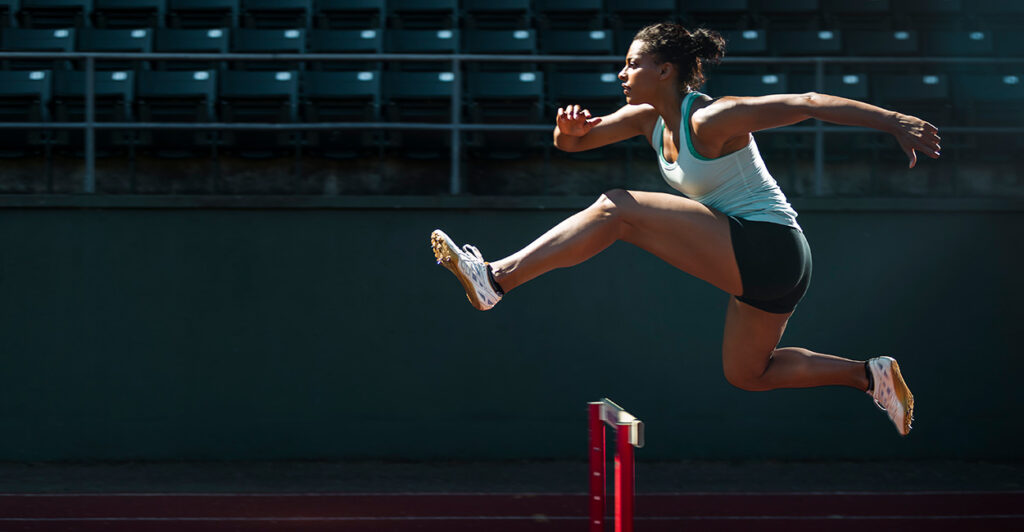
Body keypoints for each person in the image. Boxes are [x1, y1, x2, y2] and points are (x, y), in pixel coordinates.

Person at [430, 23, 940, 436]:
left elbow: (807, 101)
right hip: (768, 266)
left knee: (616, 209)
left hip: (769, 246)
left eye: (633, 63)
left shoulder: (715, 118)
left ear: (666, 69)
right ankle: (867, 375)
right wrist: (566, 132)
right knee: (748, 374)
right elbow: (574, 147)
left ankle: (496, 278)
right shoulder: (645, 119)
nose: (622, 72)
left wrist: (895, 120)